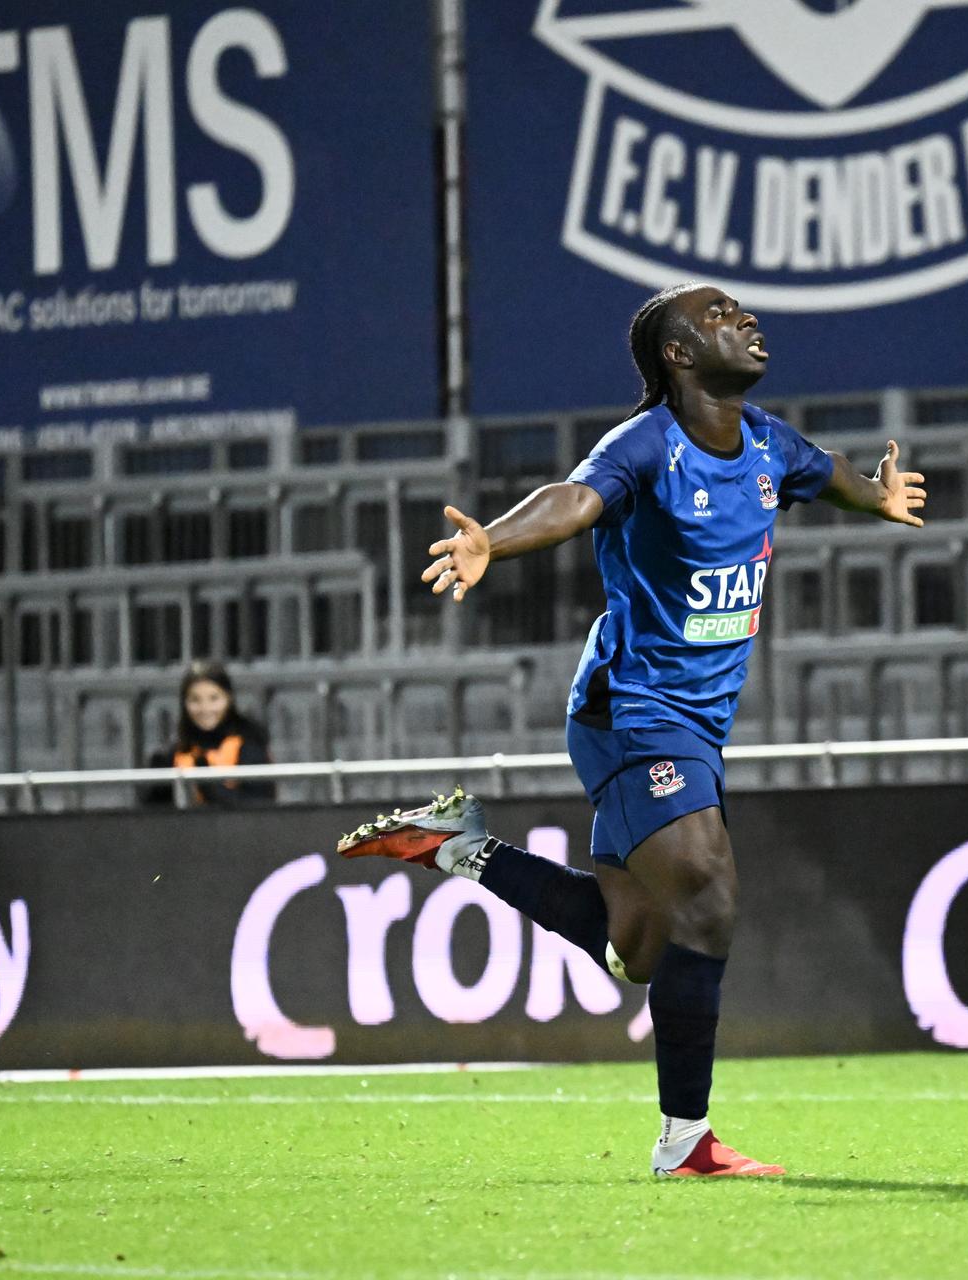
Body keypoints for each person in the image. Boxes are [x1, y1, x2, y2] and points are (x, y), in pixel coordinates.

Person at [336, 283, 927, 1176]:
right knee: (709, 892)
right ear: (679, 357)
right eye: (721, 316)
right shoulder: (646, 446)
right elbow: (573, 500)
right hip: (632, 711)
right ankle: (685, 1141)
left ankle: (461, 849)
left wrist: (875, 498)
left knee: (640, 946)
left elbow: (825, 472)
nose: (747, 320)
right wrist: (492, 540)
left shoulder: (767, 441)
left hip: (694, 725)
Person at [141, 660, 275, 807]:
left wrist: (206, 780)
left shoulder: (250, 742)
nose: (205, 708)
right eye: (195, 700)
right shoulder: (174, 752)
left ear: (228, 698)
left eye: (214, 698)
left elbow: (259, 804)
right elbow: (153, 812)